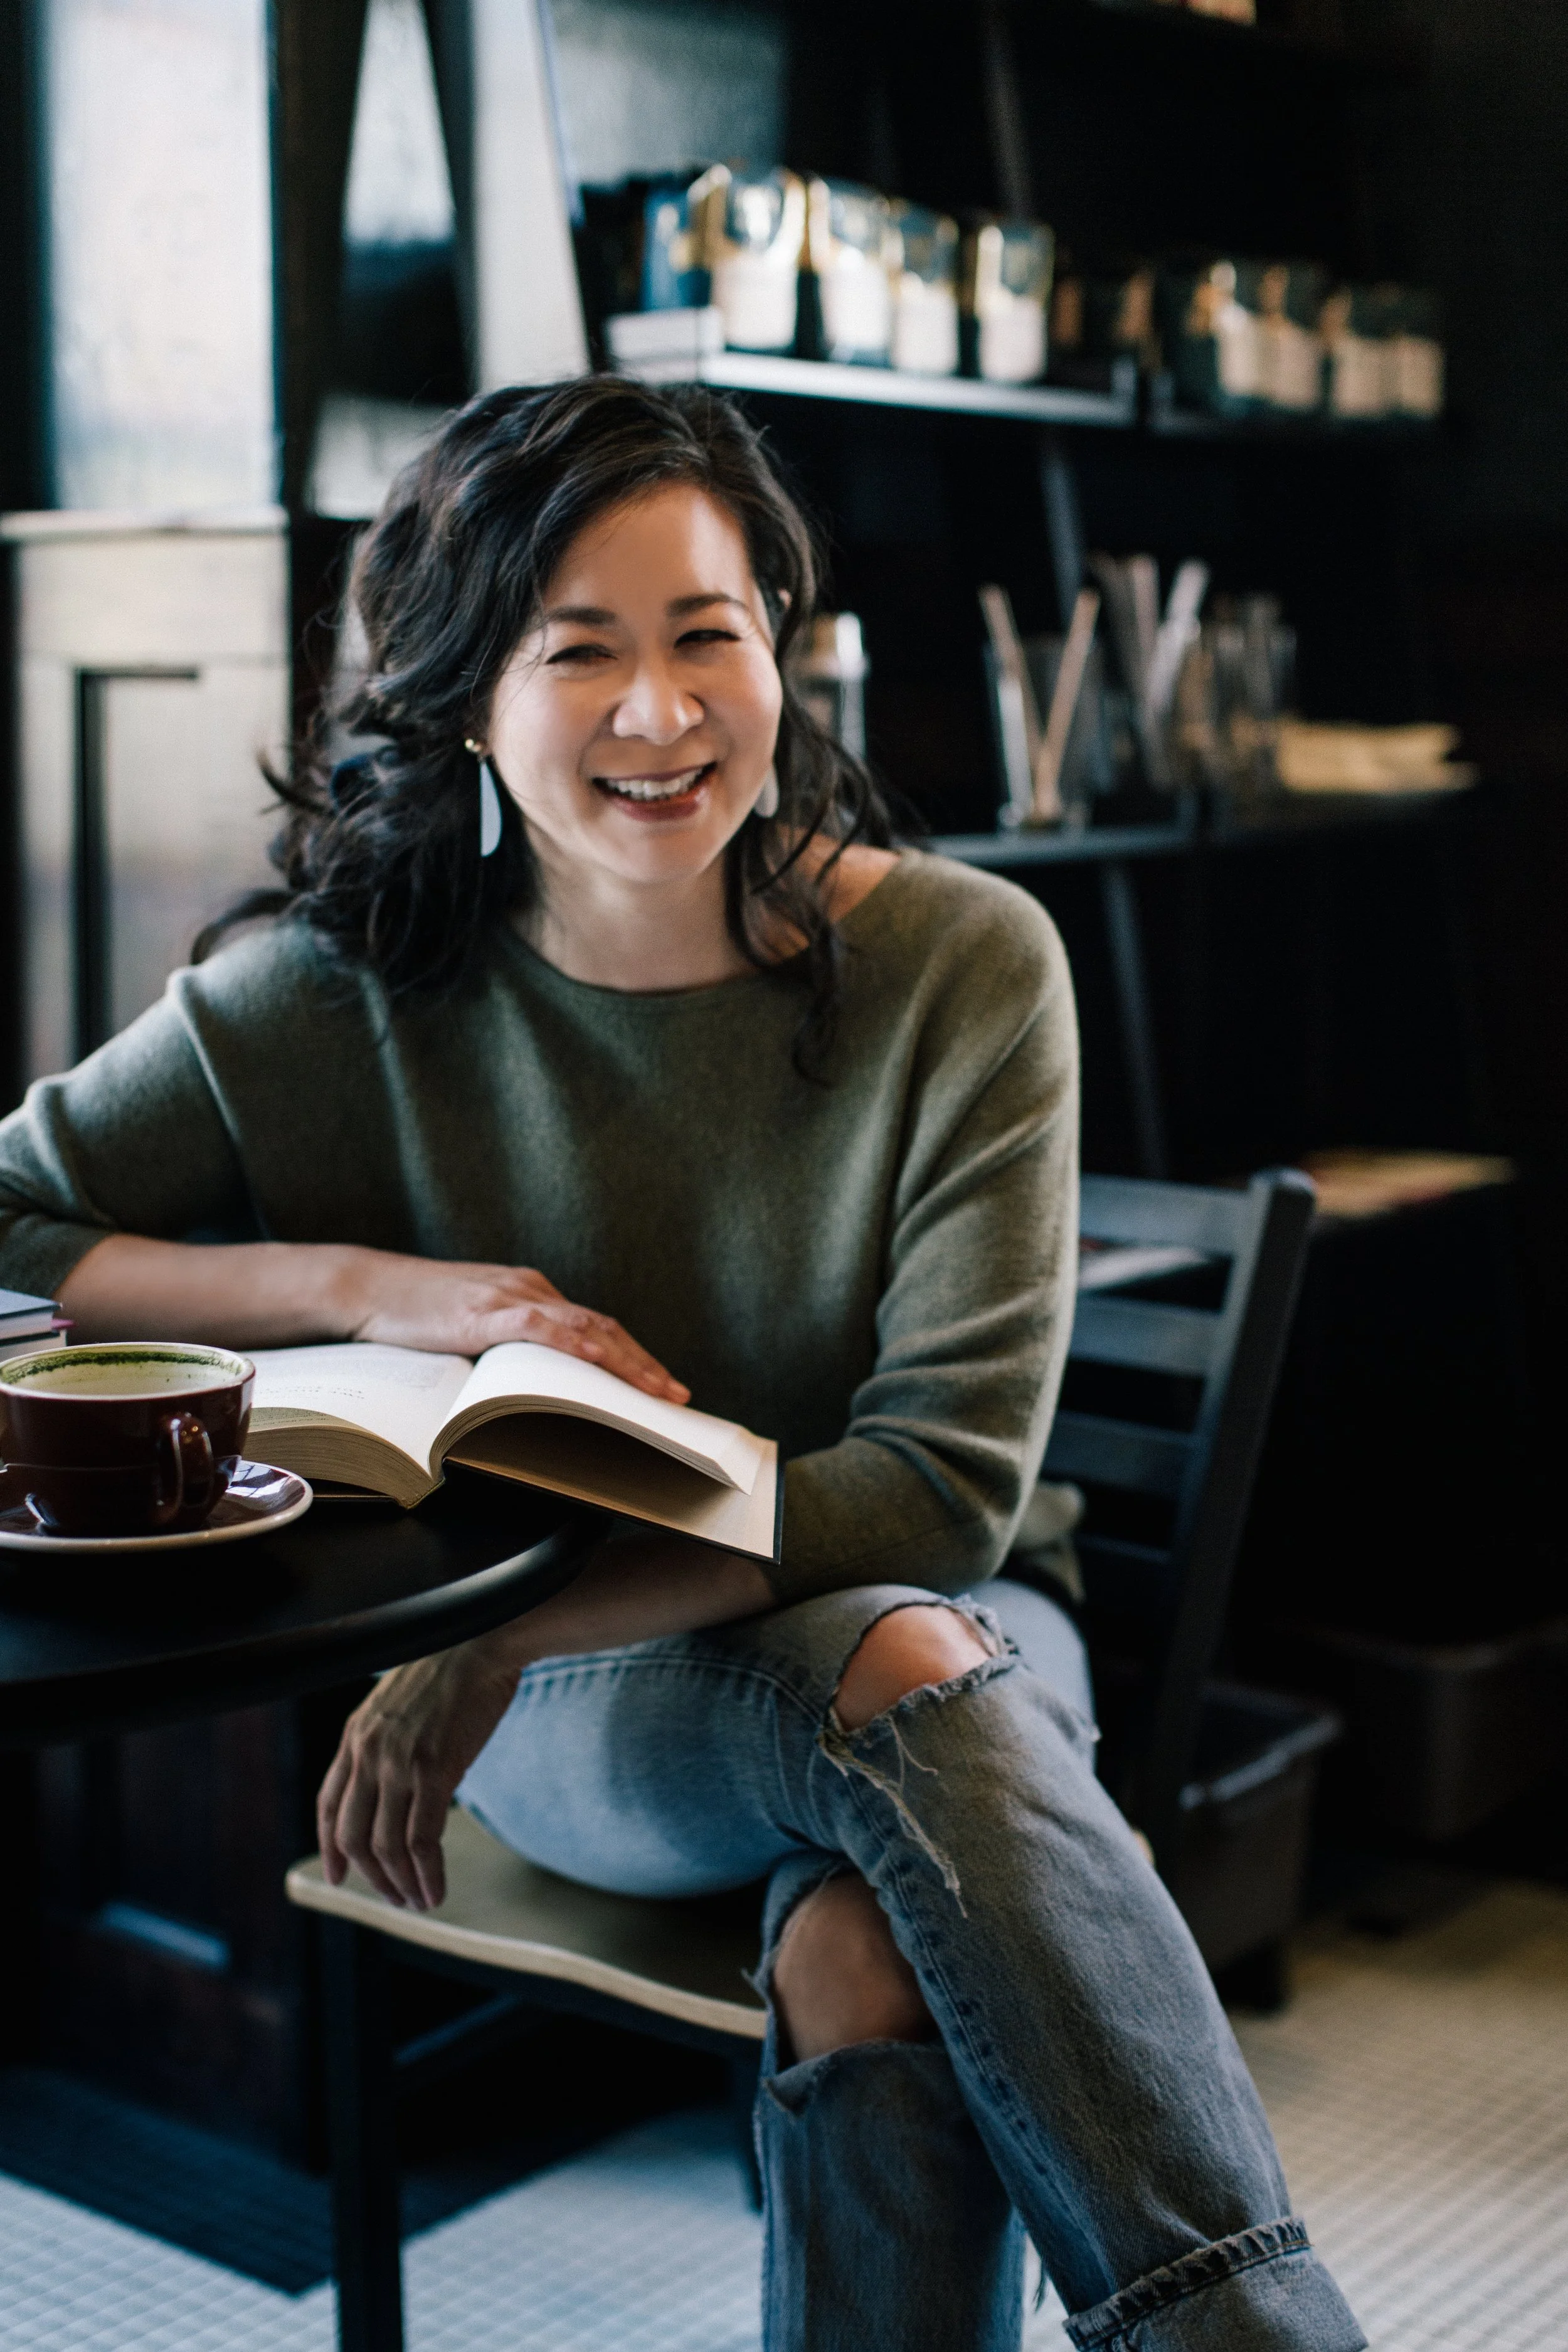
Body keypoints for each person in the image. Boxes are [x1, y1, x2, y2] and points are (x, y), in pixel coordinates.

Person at [0, 377, 1362, 2352]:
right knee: (900, 1672)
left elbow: (940, 1495)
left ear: (782, 648)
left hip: (934, 1623)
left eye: (707, 634)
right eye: (581, 653)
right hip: (584, 1683)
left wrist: (466, 1646)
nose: (662, 713)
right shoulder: (332, 993)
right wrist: (381, 1290)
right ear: (466, 690)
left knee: (865, 1927)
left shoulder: (967, 963)